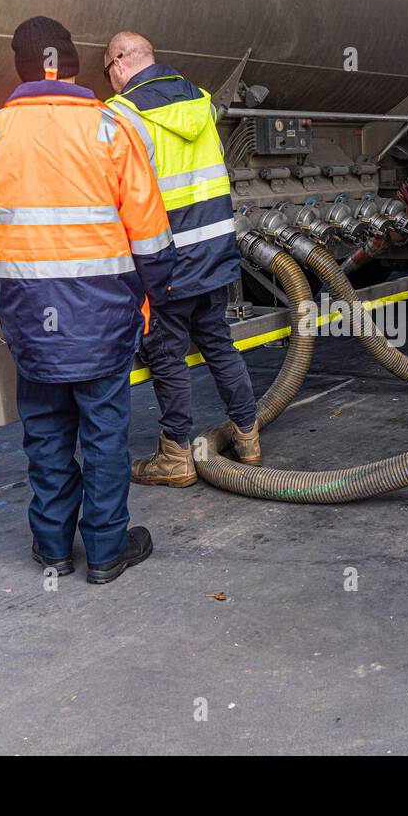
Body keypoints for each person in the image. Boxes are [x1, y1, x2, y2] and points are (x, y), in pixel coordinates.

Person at [0, 16, 177, 584]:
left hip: (31, 319)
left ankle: (52, 547)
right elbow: (150, 233)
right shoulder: (110, 128)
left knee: (46, 435)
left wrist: (8, 296)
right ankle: (105, 553)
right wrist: (156, 291)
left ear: (21, 68)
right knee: (104, 435)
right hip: (103, 317)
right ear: (75, 67)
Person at [102, 32, 260, 487]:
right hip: (213, 251)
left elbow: (122, 192)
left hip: (165, 258)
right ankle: (248, 436)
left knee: (167, 357)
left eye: (107, 70)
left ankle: (174, 455)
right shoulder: (201, 103)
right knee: (217, 344)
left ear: (117, 63)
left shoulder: (124, 115)